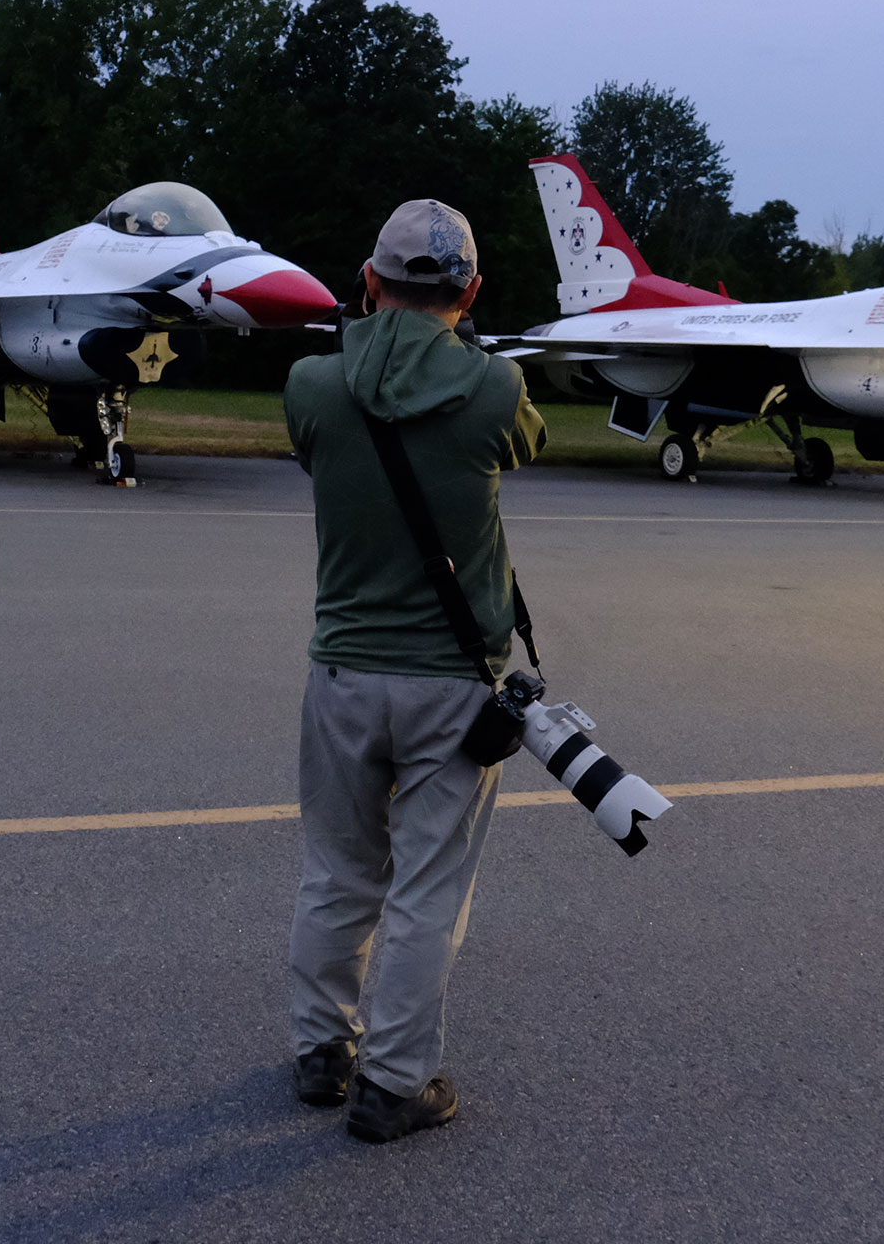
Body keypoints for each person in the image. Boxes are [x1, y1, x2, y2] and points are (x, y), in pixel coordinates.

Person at [280, 197, 547, 1144]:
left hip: (345, 670)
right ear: (470, 291)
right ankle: (394, 1082)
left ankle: (322, 1051)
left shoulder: (312, 385)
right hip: (452, 682)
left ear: (367, 279)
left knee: (337, 870)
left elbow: (318, 449)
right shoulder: (494, 389)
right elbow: (528, 443)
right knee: (428, 886)